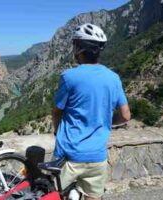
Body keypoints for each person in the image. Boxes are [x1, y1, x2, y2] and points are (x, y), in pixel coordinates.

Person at [52, 23, 131, 200]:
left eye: (74, 45)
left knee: (58, 195)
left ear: (79, 49)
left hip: (68, 155)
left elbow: (57, 111)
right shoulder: (113, 78)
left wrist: (57, 130)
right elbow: (126, 116)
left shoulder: (69, 76)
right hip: (97, 156)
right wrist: (105, 120)